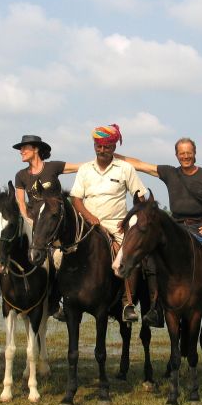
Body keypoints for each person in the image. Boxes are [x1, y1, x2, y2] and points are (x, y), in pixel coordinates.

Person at [116, 137, 202, 327]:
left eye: (189, 153)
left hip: (201, 227)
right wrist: (113, 154)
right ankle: (155, 308)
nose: (186, 156)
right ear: (176, 155)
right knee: (150, 261)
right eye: (182, 153)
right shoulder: (169, 172)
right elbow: (140, 165)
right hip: (175, 227)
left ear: (195, 153)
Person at [70, 124, 147, 322]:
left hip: (116, 226)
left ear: (114, 147)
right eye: (99, 146)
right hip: (87, 226)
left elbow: (139, 196)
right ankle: (64, 300)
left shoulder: (125, 169)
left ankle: (127, 303)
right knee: (61, 255)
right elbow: (76, 199)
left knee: (129, 257)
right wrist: (90, 218)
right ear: (94, 146)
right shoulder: (85, 169)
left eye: (107, 146)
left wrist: (136, 214)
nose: (102, 150)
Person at [11, 134, 81, 319]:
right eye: (21, 148)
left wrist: (98, 164)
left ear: (36, 149)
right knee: (5, 247)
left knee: (58, 259)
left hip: (55, 223)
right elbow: (21, 203)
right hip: (33, 222)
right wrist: (29, 221)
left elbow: (81, 167)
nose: (21, 151)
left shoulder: (53, 167)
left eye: (25, 148)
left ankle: (56, 300)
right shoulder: (21, 175)